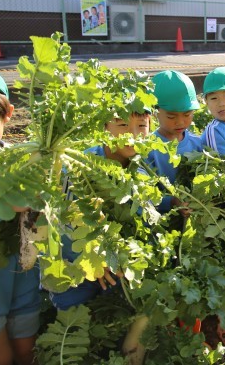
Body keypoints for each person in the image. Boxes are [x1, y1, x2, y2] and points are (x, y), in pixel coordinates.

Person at [50, 112, 151, 310]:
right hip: (74, 263)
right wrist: (97, 257)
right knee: (73, 317)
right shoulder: (77, 168)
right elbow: (64, 222)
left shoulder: (142, 168)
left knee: (116, 317)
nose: (132, 134)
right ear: (105, 127)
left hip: (116, 268)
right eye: (123, 125)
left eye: (141, 126)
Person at [0, 70, 40, 365]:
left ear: (8, 115)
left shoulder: (20, 157)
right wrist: (1, 207)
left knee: (26, 351)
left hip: (23, 280)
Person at [146, 70, 204, 213]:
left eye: (187, 114)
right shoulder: (148, 148)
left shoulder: (199, 144)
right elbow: (144, 193)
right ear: (154, 112)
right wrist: (171, 202)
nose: (180, 122)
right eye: (171, 117)